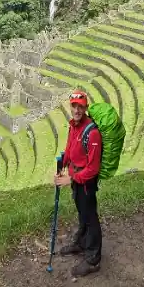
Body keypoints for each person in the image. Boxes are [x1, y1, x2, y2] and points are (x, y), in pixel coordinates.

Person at [54, 90, 103, 277]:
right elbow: (69, 149)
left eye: (80, 106)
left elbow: (93, 169)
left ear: (86, 108)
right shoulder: (73, 126)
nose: (77, 110)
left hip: (85, 183)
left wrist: (71, 178)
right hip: (75, 178)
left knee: (90, 218)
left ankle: (93, 259)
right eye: (74, 106)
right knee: (83, 214)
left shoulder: (93, 134)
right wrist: (61, 166)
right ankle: (81, 243)